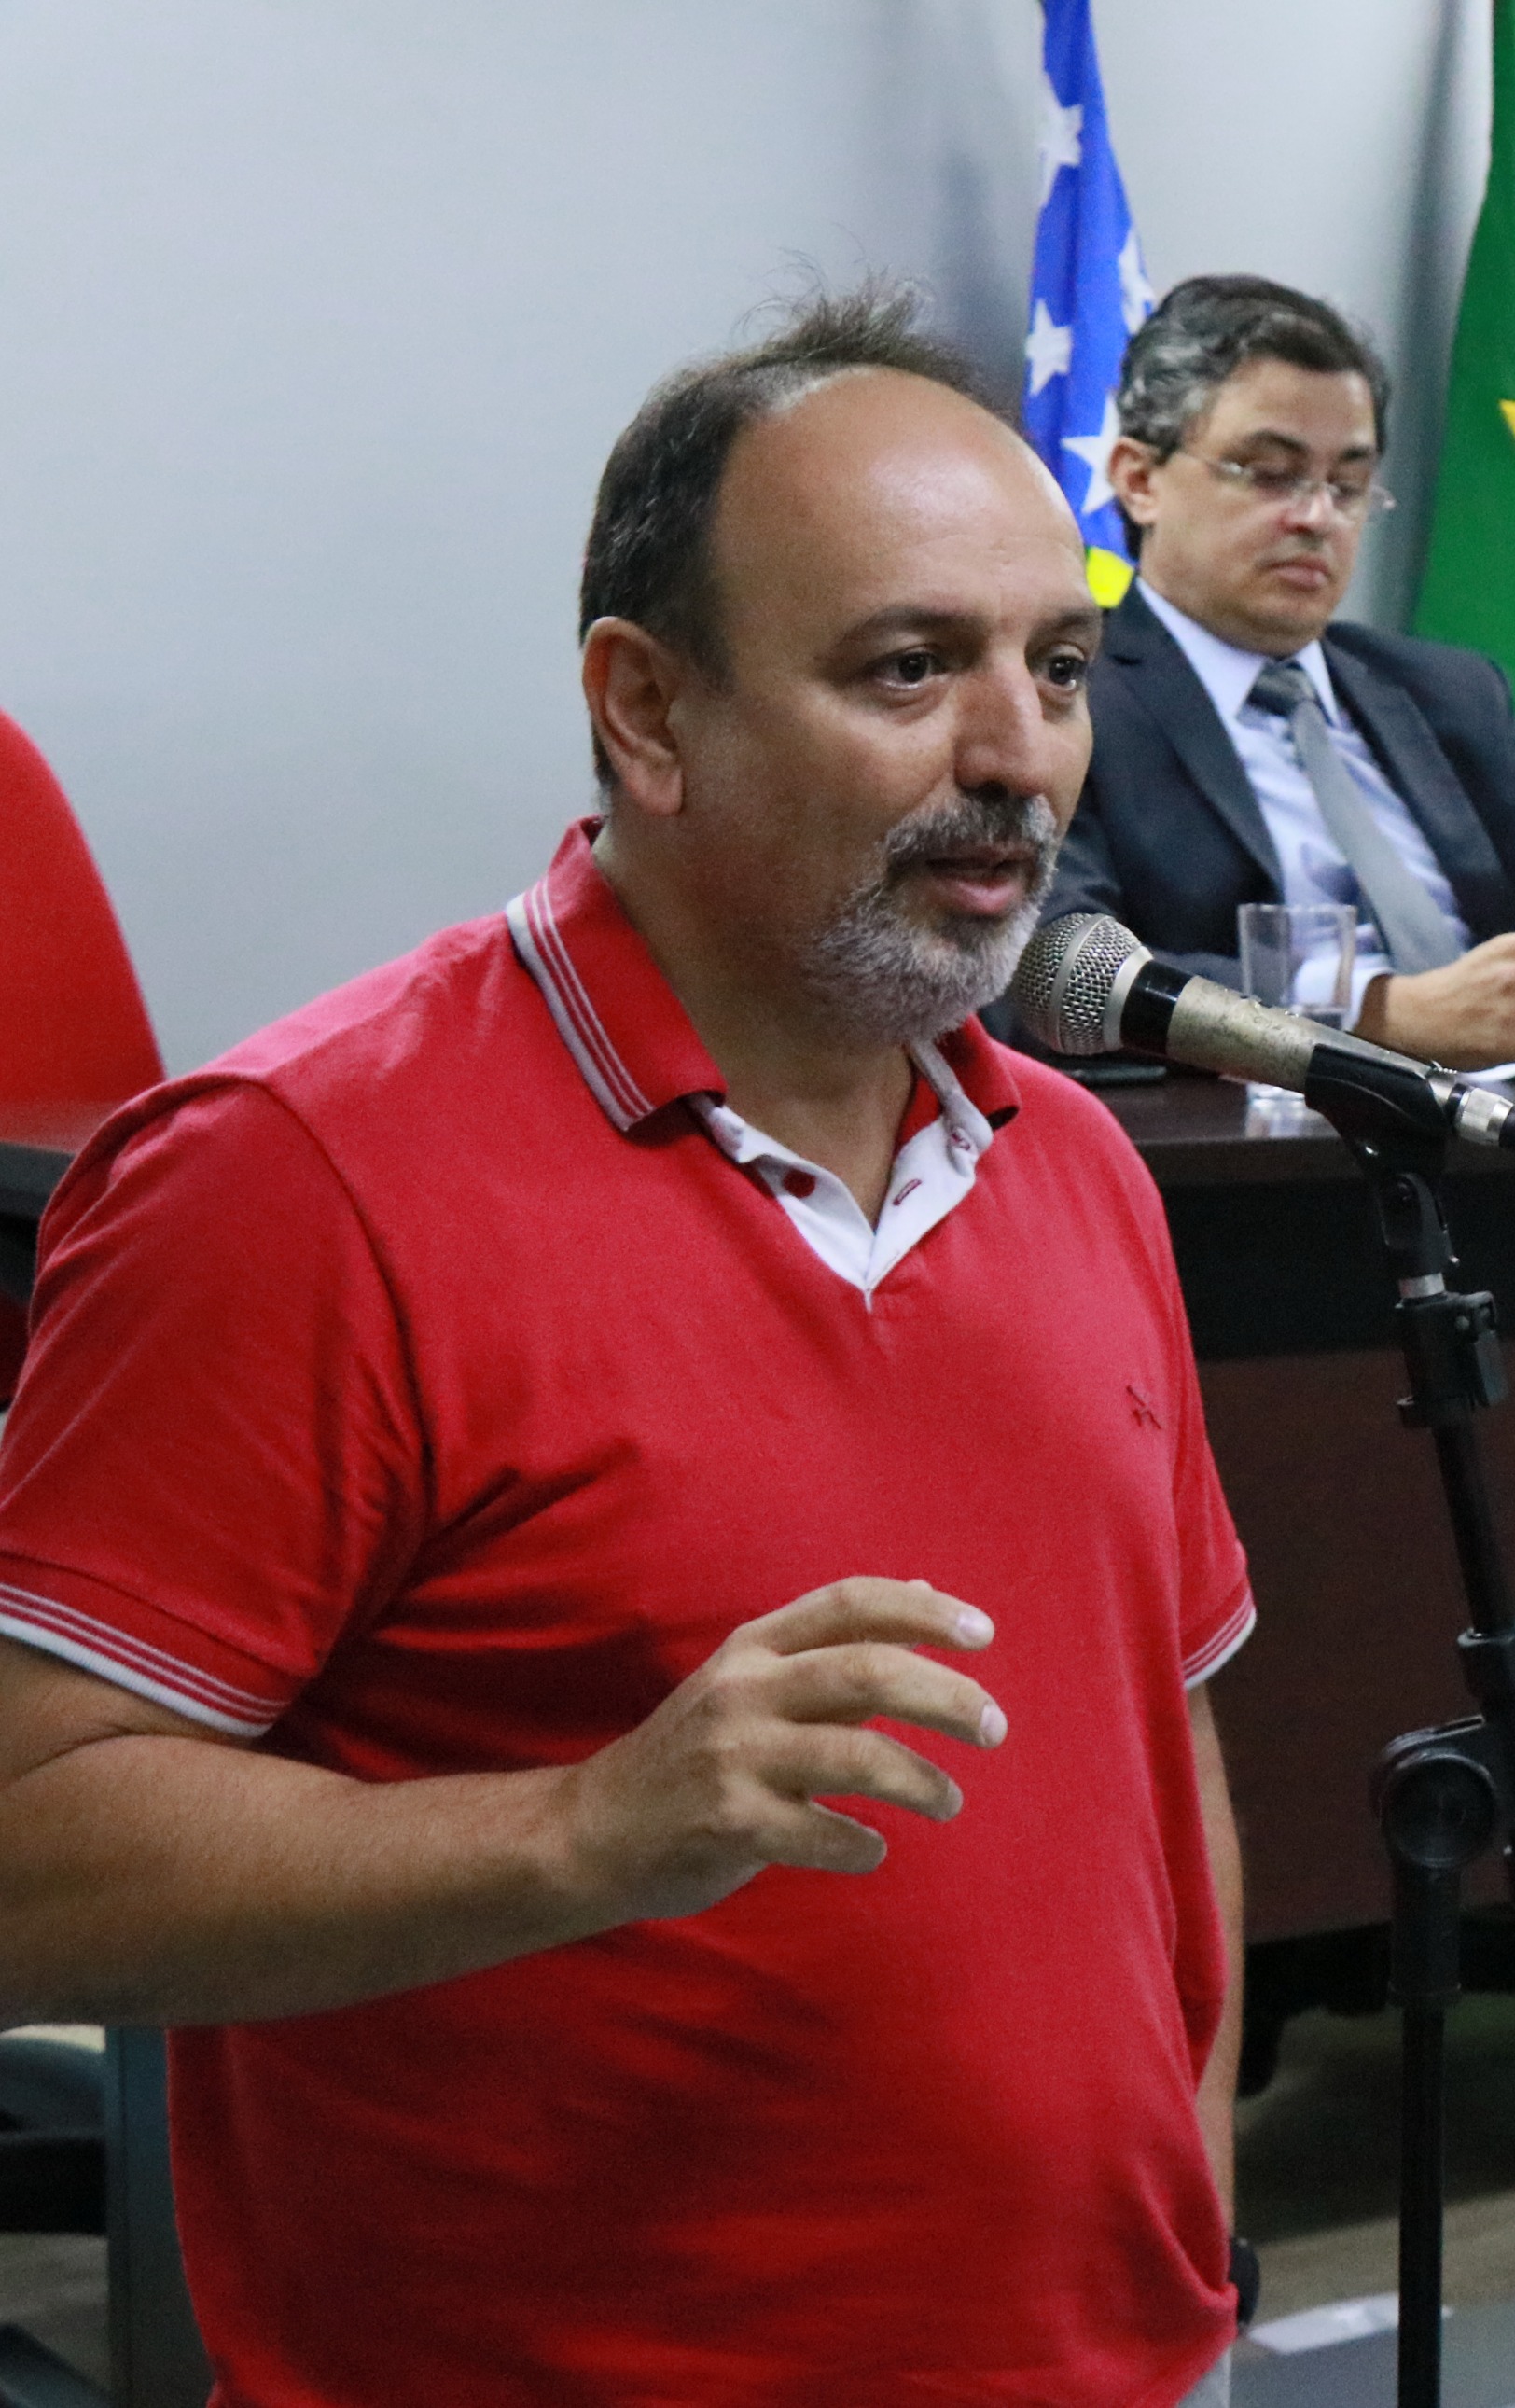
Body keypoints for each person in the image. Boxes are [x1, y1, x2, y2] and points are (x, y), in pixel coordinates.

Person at [0, 294, 1257, 2404]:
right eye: (910, 666)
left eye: (1057, 668)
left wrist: (1180, 2222)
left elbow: (1158, 1748)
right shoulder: (295, 1178)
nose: (1017, 755)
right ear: (647, 709)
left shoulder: (1078, 1166)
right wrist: (589, 1828)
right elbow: (23, 1858)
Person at [1057, 274, 1515, 1069]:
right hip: (1248, 1123)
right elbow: (1059, 976)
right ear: (1139, 479)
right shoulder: (1065, 697)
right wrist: (1374, 1012)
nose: (1317, 517)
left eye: (1348, 486)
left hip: (1509, 1110)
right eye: (1270, 472)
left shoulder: (1450, 694)